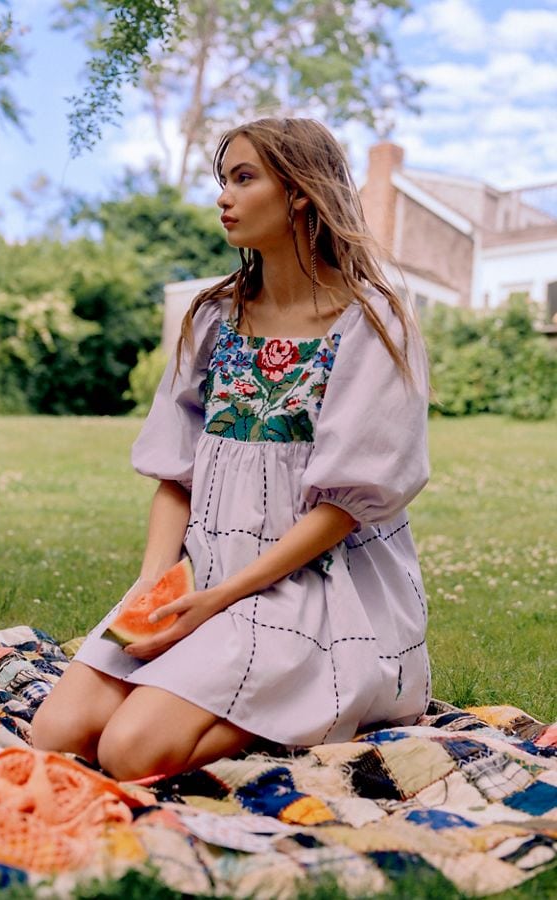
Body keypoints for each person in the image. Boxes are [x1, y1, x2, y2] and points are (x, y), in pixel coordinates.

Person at [31, 117, 431, 781]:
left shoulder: (373, 320)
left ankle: (327, 694)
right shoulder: (213, 317)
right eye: (224, 181)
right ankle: (230, 693)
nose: (225, 197)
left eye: (244, 179)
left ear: (300, 192)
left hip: (309, 583)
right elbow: (173, 472)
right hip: (202, 572)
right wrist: (155, 583)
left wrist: (221, 601)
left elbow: (347, 503)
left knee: (129, 752)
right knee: (57, 731)